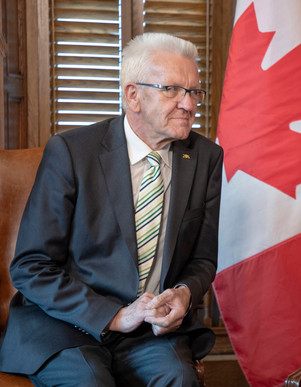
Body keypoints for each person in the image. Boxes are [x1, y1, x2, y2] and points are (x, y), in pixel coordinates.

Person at [0, 32, 222, 386]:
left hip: (148, 332)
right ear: (133, 95)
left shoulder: (204, 157)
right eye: (172, 90)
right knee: (90, 381)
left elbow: (202, 260)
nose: (189, 104)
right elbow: (30, 267)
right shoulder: (71, 153)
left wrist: (185, 292)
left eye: (195, 91)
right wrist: (115, 315)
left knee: (180, 378)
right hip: (66, 325)